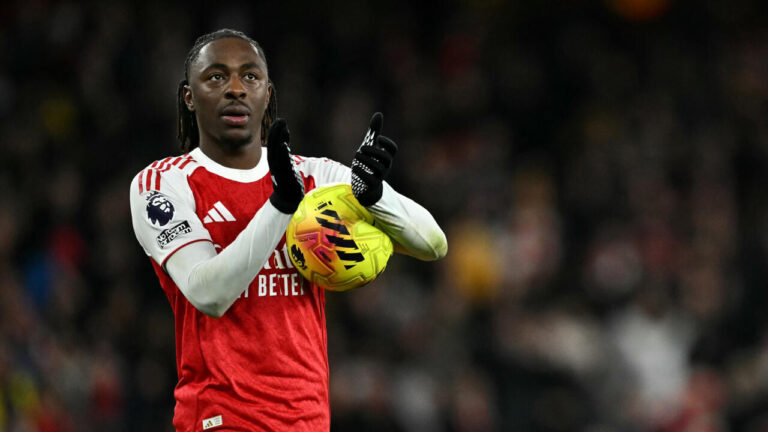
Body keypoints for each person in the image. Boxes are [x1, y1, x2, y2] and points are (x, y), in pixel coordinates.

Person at [128, 28, 447, 432]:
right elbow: (208, 294)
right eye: (216, 76)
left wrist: (375, 196)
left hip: (309, 421)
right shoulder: (163, 184)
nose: (235, 89)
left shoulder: (316, 176)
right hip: (222, 420)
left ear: (267, 94)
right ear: (189, 97)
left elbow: (433, 244)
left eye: (250, 76)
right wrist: (281, 205)